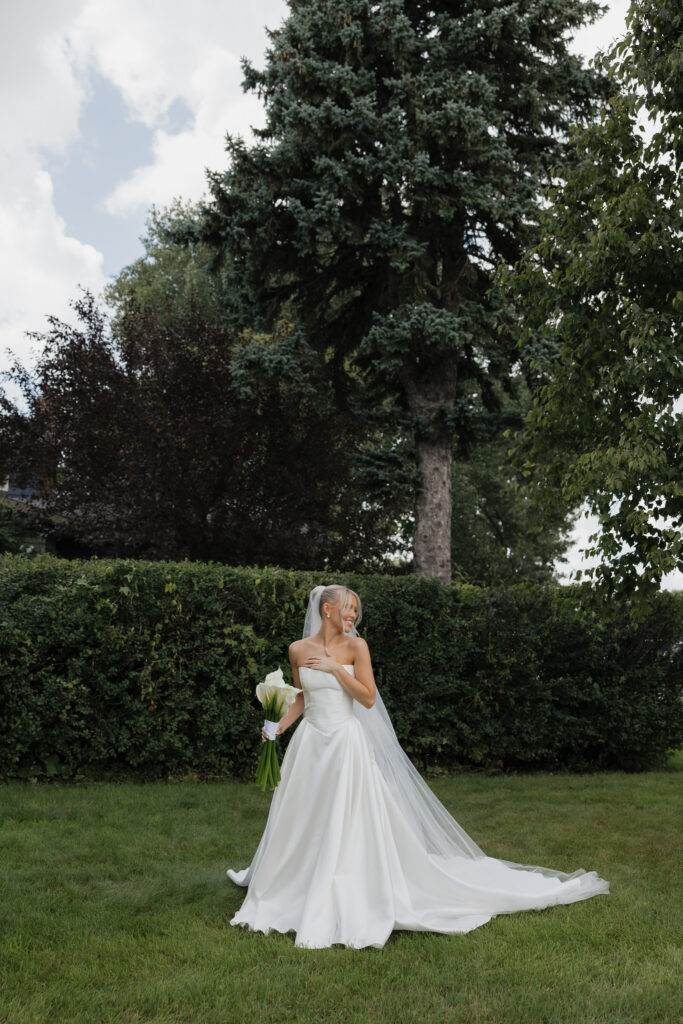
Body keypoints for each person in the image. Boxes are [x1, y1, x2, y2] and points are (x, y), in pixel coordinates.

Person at [227, 584, 609, 949]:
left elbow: (368, 698)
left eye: (356, 610)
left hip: (345, 744)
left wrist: (335, 669)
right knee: (304, 816)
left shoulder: (357, 647)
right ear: (326, 610)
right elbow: (300, 699)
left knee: (344, 817)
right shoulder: (297, 649)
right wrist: (276, 727)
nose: (353, 615)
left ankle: (343, 880)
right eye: (348, 609)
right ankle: (296, 879)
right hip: (310, 745)